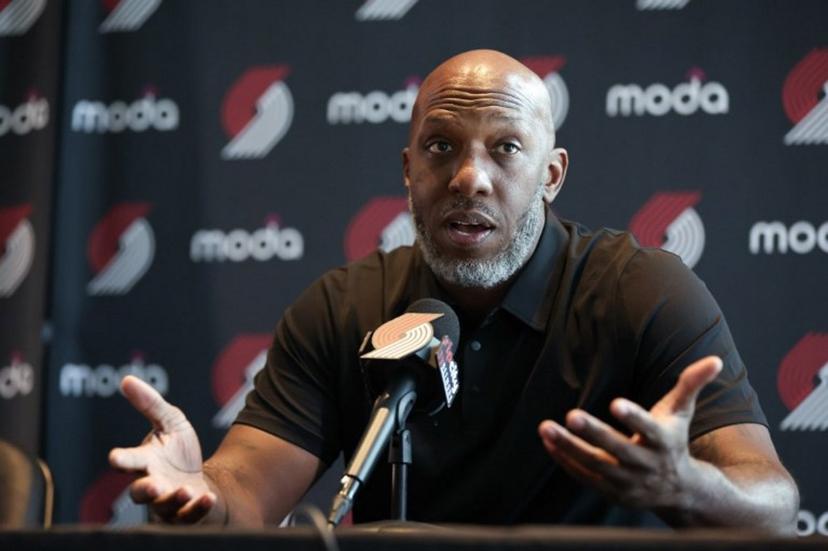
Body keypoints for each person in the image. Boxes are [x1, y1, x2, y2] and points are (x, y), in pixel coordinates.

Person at [109, 49, 798, 531]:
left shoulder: (640, 291)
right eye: (442, 147)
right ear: (409, 171)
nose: (470, 177)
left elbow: (771, 505)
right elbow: (246, 494)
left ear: (551, 175)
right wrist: (198, 492)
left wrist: (685, 482)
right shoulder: (341, 308)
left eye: (504, 148)